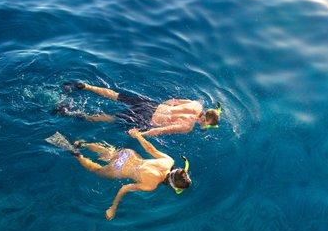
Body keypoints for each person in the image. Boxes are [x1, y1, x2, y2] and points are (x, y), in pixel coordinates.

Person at [45, 128, 191, 220]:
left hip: (128, 154)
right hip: (119, 168)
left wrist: (138, 135)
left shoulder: (168, 160)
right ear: (172, 185)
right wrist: (113, 208)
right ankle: (75, 152)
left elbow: (150, 149)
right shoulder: (151, 185)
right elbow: (124, 188)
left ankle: (83, 144)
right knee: (96, 170)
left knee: (109, 152)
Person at [56, 81, 222, 137]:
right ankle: (70, 113)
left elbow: (174, 100)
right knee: (113, 117)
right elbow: (161, 131)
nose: (206, 127)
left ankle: (85, 86)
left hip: (152, 105)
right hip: (147, 119)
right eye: (208, 125)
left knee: (117, 95)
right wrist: (141, 135)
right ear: (204, 119)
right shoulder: (188, 126)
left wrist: (163, 108)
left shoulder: (196, 104)